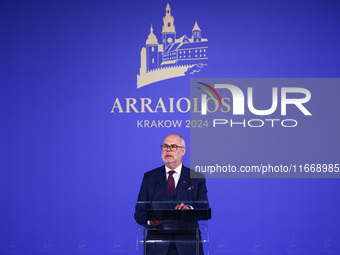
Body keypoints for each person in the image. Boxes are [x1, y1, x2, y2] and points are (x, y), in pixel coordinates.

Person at [135, 134, 209, 255]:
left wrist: (189, 209)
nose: (168, 149)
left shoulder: (196, 178)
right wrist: (150, 222)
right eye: (165, 146)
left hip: (188, 247)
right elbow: (139, 212)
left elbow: (204, 209)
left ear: (183, 151)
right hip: (157, 247)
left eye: (173, 146)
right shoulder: (150, 177)